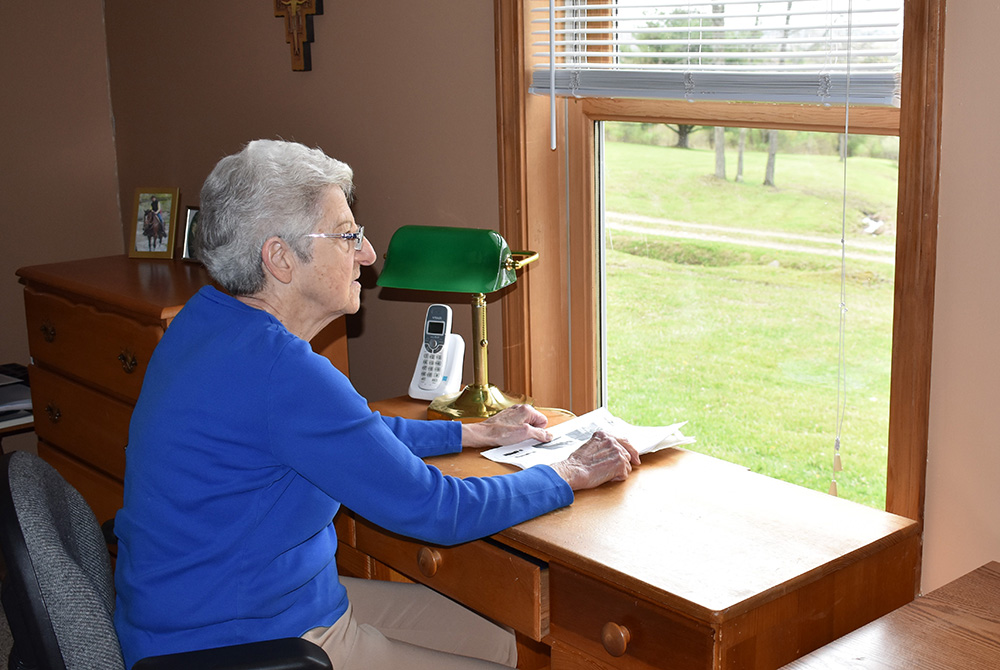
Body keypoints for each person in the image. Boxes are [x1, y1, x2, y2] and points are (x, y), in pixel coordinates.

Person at [113, 139, 640, 669]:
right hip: (240, 644)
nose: (366, 253)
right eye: (347, 235)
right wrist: (568, 472)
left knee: (502, 641)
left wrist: (473, 434)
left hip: (246, 608)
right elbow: (439, 510)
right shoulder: (283, 373)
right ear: (279, 258)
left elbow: (352, 431)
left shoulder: (204, 323)